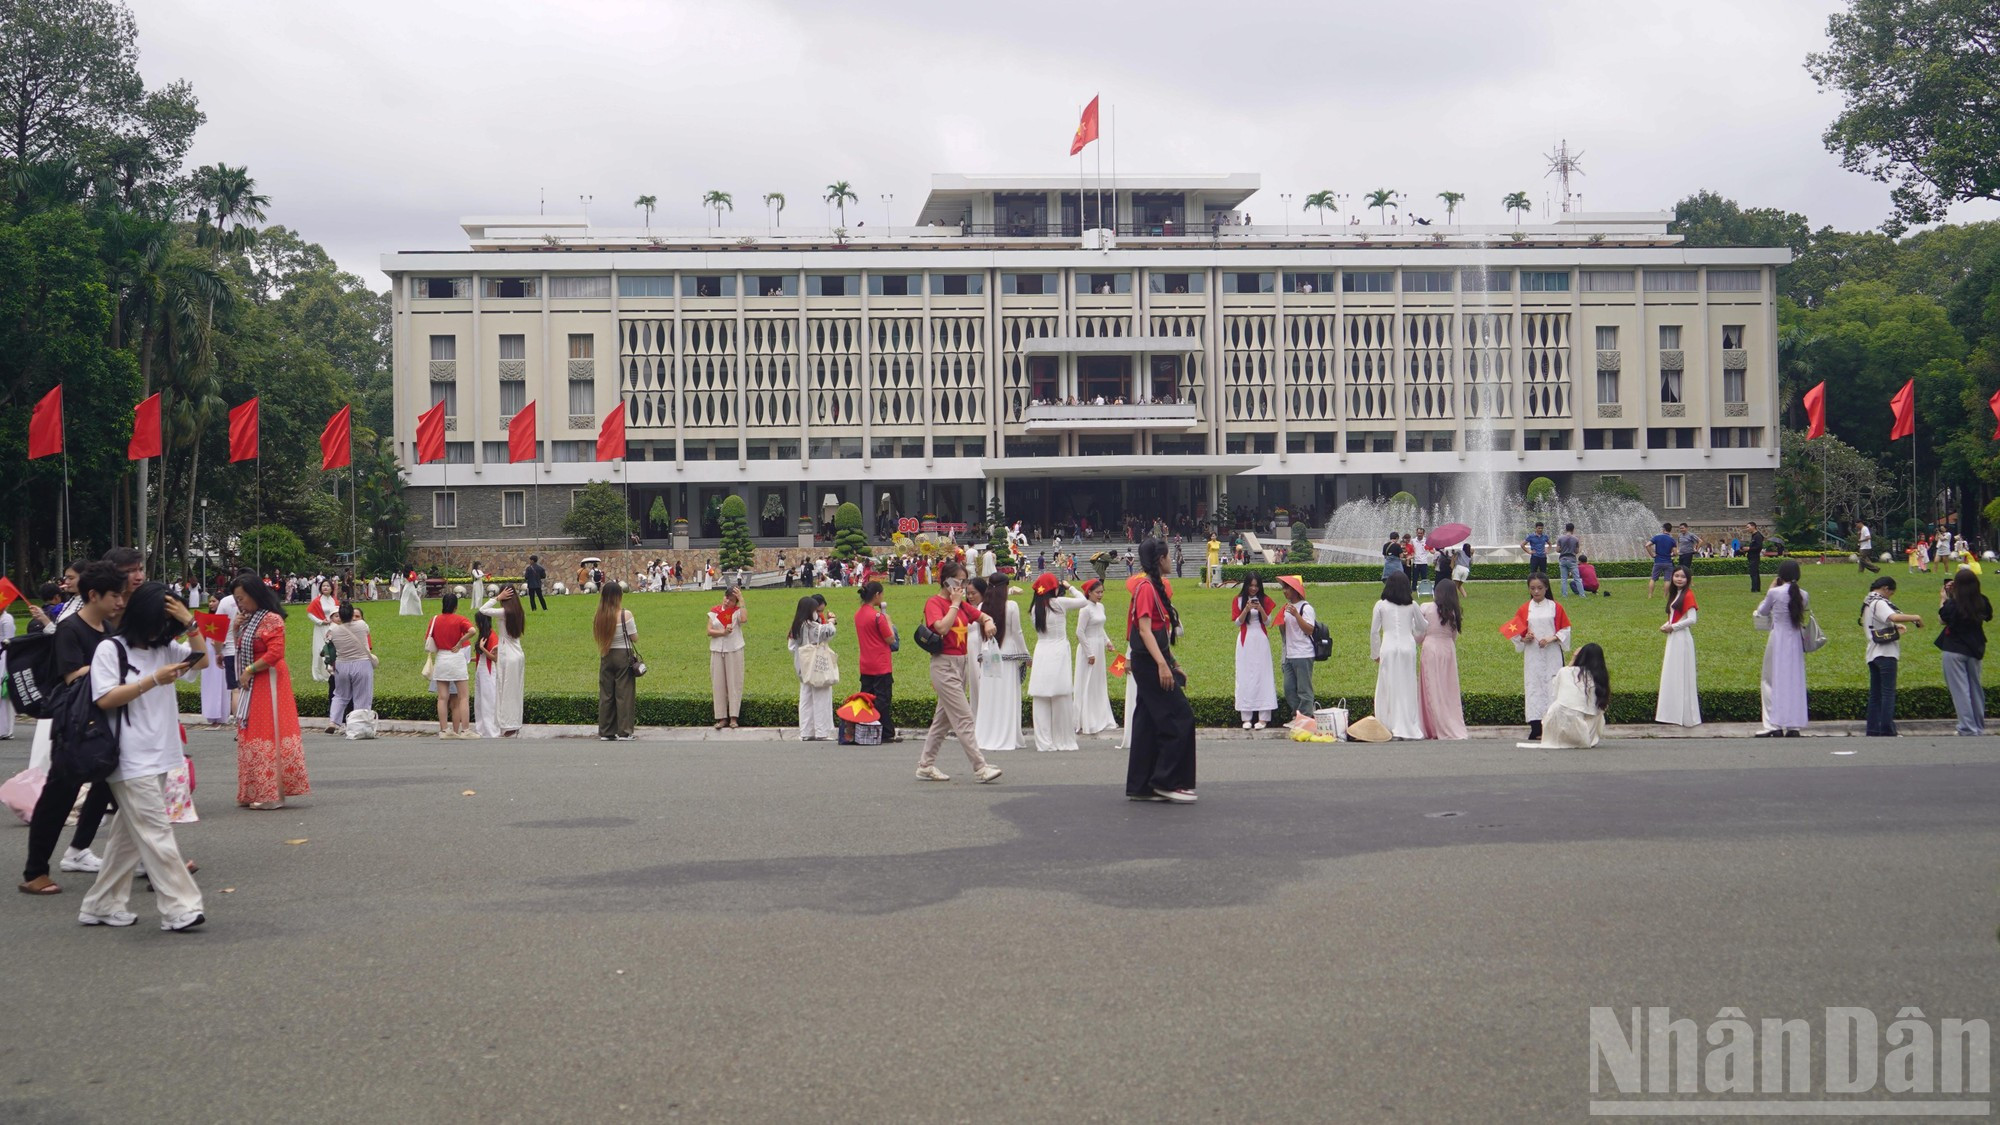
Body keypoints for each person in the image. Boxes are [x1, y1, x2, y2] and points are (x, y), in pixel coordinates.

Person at [75, 581, 209, 932]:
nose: (161, 631)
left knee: (129, 838)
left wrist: (191, 623)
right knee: (155, 832)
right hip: (128, 757)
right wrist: (152, 680)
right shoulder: (111, 650)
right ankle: (181, 907)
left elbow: (203, 662)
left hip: (162, 753)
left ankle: (101, 904)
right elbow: (104, 698)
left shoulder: (165, 649)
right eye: (159, 622)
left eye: (168, 624)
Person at [17, 562, 125, 895]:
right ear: (94, 595)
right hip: (75, 727)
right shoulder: (70, 629)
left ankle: (152, 864)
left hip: (106, 725)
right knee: (58, 798)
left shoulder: (107, 628)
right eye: (115, 596)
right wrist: (108, 666)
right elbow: (70, 676)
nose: (121, 602)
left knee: (119, 791)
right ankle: (35, 872)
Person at [915, 561, 1003, 783]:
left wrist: (988, 621)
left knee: (942, 720)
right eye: (958, 581)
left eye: (964, 582)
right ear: (945, 580)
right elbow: (941, 628)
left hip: (961, 663)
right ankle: (980, 767)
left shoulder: (963, 605)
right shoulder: (935, 603)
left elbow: (981, 615)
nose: (962, 587)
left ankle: (925, 765)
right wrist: (954, 604)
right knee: (964, 716)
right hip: (943, 665)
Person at [230, 572, 310, 807]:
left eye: (242, 598)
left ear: (255, 595)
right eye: (237, 600)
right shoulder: (248, 619)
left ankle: (271, 793)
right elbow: (241, 647)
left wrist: (250, 670)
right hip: (253, 678)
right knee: (251, 729)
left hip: (269, 678)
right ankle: (253, 790)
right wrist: (236, 629)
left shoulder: (272, 619)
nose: (240, 604)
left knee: (268, 730)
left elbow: (275, 653)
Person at [1125, 539, 1196, 803]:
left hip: (1151, 660)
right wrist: (1163, 665)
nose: (1171, 560)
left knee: (1146, 722)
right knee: (1180, 717)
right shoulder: (1145, 588)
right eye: (1168, 556)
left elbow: (1158, 632)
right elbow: (1144, 630)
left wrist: (1173, 662)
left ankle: (1141, 785)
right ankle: (1167, 780)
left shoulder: (1153, 587)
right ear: (1161, 559)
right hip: (1149, 663)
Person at [1026, 573, 1088, 752]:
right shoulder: (1059, 603)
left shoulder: (1034, 609)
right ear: (1054, 588)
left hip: (1041, 650)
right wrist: (1070, 587)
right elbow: (1083, 601)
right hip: (1058, 650)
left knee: (1041, 697)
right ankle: (1063, 739)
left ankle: (1044, 742)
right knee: (1061, 697)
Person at [1506, 575, 1572, 742]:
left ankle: (1553, 726)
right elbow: (1511, 630)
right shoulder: (1525, 609)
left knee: (1553, 686)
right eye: (1532, 588)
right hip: (1533, 655)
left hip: (1552, 655)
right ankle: (1536, 727)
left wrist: (1552, 638)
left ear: (1546, 588)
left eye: (1539, 588)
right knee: (1534, 686)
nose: (1536, 591)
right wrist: (1524, 638)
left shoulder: (1555, 607)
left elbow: (1566, 629)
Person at [1753, 559, 1811, 737]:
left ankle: (1773, 724)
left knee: (1769, 680)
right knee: (1794, 680)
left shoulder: (1775, 592)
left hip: (1777, 638)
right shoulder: (1803, 594)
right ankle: (1793, 725)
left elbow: (1762, 611)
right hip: (1795, 640)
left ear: (1781, 575)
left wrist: (1770, 589)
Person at [1862, 576, 1923, 736]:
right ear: (1885, 588)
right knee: (1888, 692)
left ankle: (1873, 728)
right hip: (1886, 652)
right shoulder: (1880, 602)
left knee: (1875, 694)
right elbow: (1893, 616)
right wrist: (1915, 617)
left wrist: (1895, 626)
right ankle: (1887, 729)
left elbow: (1877, 624)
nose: (1890, 597)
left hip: (1872, 652)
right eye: (1891, 593)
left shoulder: (1868, 602)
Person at [1935, 566, 1992, 736]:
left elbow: (1942, 619)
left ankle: (1967, 727)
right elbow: (1987, 616)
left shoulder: (1953, 604)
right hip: (1975, 648)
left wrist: (1944, 598)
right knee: (1975, 688)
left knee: (1960, 689)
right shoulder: (1981, 601)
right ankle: (1977, 726)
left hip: (1954, 648)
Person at [1369, 570, 1424, 739]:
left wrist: (1375, 654)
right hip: (1408, 648)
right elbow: (1423, 627)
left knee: (1388, 685)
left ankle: (1388, 723)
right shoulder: (1412, 605)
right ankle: (1408, 724)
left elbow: (1374, 632)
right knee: (1407, 685)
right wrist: (1412, 629)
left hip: (1389, 647)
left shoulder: (1380, 605)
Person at [974, 574, 1026, 752]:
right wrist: (1026, 655)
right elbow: (1017, 632)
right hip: (1008, 654)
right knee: (1007, 695)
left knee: (990, 695)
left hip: (990, 655)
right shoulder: (1011, 606)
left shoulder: (982, 606)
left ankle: (988, 733)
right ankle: (1007, 734)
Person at [1417, 577, 1467, 740]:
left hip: (1430, 647)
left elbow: (1419, 632)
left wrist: (1417, 641)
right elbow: (1453, 635)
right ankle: (1450, 721)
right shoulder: (1454, 611)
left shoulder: (1426, 608)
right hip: (1447, 649)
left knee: (1431, 688)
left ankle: (1432, 725)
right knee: (1448, 688)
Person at [590, 582, 639, 741]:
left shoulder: (599, 615)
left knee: (606, 694)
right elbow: (634, 638)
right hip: (623, 655)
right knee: (624, 694)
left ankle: (606, 731)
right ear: (619, 596)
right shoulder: (626, 614)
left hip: (606, 654)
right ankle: (624, 731)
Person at [1538, 643, 1611, 748]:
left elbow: (1556, 689)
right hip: (1585, 729)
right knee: (1597, 714)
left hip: (1561, 722)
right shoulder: (1600, 677)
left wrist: (1573, 658)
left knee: (1558, 707)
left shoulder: (1567, 672)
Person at [786, 595, 838, 741]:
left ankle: (806, 731)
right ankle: (822, 731)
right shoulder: (810, 625)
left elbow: (791, 647)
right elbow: (828, 632)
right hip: (816, 667)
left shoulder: (796, 626)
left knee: (806, 699)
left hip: (802, 667)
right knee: (821, 697)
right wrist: (832, 621)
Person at [424, 589, 474, 739]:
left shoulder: (435, 620)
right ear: (455, 606)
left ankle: (444, 729)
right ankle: (465, 729)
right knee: (463, 696)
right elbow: (472, 630)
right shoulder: (459, 619)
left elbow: (428, 638)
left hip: (442, 657)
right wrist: (460, 642)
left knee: (442, 697)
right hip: (456, 656)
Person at [478, 586, 527, 737]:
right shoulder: (518, 612)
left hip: (508, 655)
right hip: (516, 652)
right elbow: (511, 637)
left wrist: (497, 597)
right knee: (515, 690)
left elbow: (483, 610)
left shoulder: (504, 612)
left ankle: (508, 724)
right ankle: (513, 724)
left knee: (505, 690)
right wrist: (499, 646)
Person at [1655, 566, 1700, 727]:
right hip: (1674, 636)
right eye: (1676, 576)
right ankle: (1672, 714)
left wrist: (1672, 627)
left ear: (1688, 579)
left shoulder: (1688, 594)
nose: (1679, 579)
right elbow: (1675, 617)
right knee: (1672, 672)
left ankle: (1683, 715)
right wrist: (1667, 624)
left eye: (1682, 577)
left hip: (1681, 638)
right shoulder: (1676, 594)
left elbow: (1692, 619)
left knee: (1681, 672)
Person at [1231, 573, 1278, 729]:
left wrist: (1260, 608)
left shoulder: (1265, 600)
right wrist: (1246, 609)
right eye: (1251, 585)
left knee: (1263, 674)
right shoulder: (1238, 600)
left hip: (1260, 639)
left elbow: (1268, 621)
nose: (1253, 588)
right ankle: (1246, 716)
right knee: (1245, 675)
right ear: (1246, 585)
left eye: (1256, 585)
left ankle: (1264, 717)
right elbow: (1238, 623)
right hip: (1246, 640)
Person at [1072, 579, 1118, 736]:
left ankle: (1101, 716)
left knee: (1098, 682)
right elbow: (1080, 632)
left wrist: (1108, 642)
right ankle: (1085, 719)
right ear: (1089, 593)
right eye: (1097, 592)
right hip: (1089, 647)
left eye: (1102, 592)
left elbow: (1100, 627)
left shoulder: (1101, 607)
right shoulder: (1085, 609)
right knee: (1087, 682)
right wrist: (1089, 652)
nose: (1100, 595)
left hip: (1099, 645)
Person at [854, 581, 897, 742]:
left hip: (865, 663)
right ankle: (885, 732)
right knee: (883, 699)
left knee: (867, 697)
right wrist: (889, 621)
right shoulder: (878, 616)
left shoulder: (858, 614)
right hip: (881, 663)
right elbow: (890, 639)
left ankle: (867, 727)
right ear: (877, 595)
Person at [1273, 574, 1318, 721]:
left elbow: (1309, 629)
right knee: (1289, 689)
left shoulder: (1306, 608)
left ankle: (1306, 717)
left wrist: (1296, 615)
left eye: (1287, 588)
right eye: (1283, 588)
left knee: (1304, 689)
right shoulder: (1286, 608)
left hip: (1303, 654)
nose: (1284, 591)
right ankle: (1296, 714)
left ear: (1295, 590)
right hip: (1289, 655)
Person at [326, 602, 376, 733]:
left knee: (340, 695)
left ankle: (333, 721)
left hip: (342, 664)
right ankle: (359, 724)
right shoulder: (361, 625)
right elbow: (367, 632)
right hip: (361, 663)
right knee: (362, 696)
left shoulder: (333, 631)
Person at [706, 586, 746, 730]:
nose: (727, 601)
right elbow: (709, 631)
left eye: (731, 600)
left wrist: (741, 599)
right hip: (717, 649)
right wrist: (722, 632)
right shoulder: (715, 611)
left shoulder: (736, 611)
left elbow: (744, 619)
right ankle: (721, 717)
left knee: (734, 682)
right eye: (726, 598)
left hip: (734, 649)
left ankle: (734, 717)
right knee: (718, 683)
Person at [471, 613, 500, 739]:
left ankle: (491, 730)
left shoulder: (493, 636)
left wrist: (483, 649)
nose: (476, 624)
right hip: (480, 669)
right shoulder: (484, 635)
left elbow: (495, 658)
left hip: (488, 671)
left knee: (488, 700)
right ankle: (481, 728)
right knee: (479, 701)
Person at [305, 579, 339, 684]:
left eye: (328, 586)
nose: (325, 588)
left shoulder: (334, 600)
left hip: (332, 627)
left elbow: (338, 611)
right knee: (320, 649)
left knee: (332, 649)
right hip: (320, 628)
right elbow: (310, 614)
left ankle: (331, 672)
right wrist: (320, 622)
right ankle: (318, 673)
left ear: (331, 588)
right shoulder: (317, 601)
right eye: (323, 586)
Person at [1647, 523, 1678, 598]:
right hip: (1668, 562)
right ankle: (1664, 596)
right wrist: (1671, 555)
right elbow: (1675, 553)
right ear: (1670, 530)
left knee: (1653, 579)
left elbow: (1647, 545)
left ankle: (1650, 595)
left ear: (1663, 529)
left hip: (1658, 561)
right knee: (1667, 580)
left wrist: (1652, 555)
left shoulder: (1657, 537)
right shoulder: (1672, 540)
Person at [1557, 523, 1583, 597]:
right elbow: (1577, 551)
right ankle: (1582, 594)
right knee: (1577, 578)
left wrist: (1563, 550)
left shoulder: (1560, 538)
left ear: (1565, 529)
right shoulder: (1575, 539)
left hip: (1563, 559)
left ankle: (1564, 595)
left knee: (1564, 579)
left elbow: (1557, 550)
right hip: (1572, 560)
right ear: (1573, 529)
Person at [1522, 522, 1551, 587]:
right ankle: (1531, 586)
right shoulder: (1531, 536)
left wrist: (1547, 550)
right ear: (1536, 528)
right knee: (1533, 573)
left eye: (1541, 528)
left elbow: (1550, 544)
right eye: (1539, 528)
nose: (1540, 530)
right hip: (1535, 557)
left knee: (1543, 573)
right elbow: (1522, 545)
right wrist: (1529, 551)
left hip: (1543, 557)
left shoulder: (1545, 536)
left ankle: (1544, 586)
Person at [1746, 523, 1766, 593]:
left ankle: (1754, 589)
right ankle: (1756, 588)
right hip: (1752, 556)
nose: (1747, 529)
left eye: (1748, 527)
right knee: (1755, 573)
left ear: (1753, 527)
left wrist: (1749, 548)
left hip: (1755, 556)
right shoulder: (1754, 536)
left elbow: (1758, 547)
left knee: (1753, 573)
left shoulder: (1758, 536)